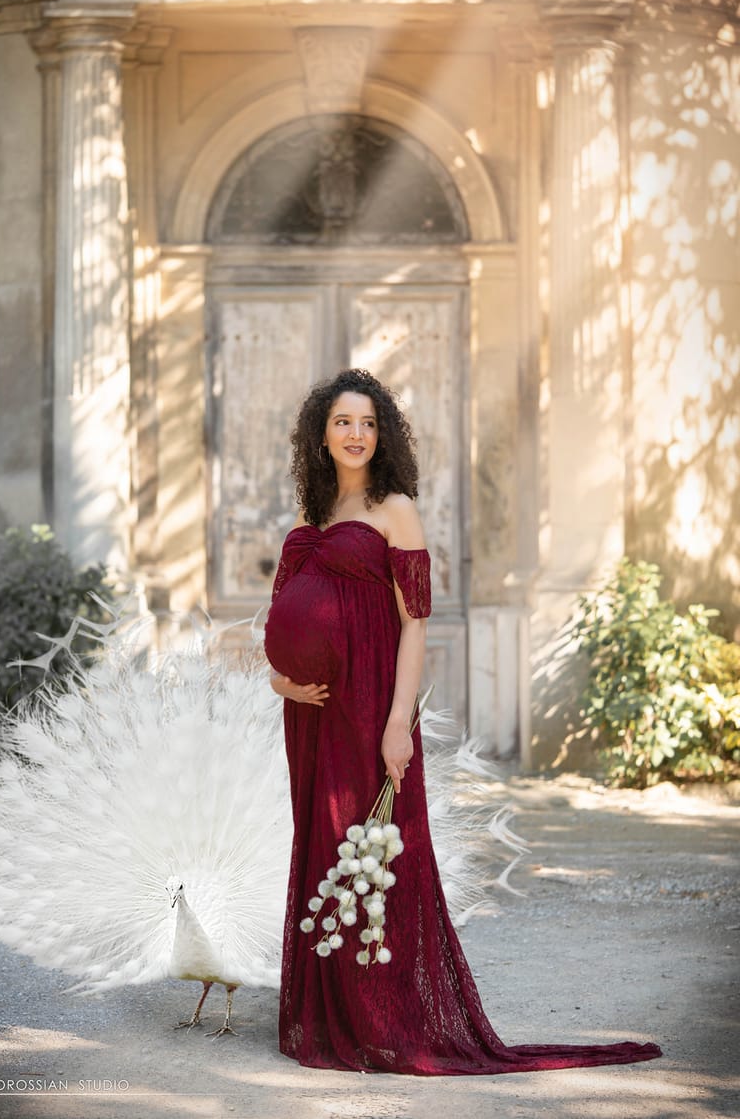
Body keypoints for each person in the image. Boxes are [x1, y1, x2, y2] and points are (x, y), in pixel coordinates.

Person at [264, 367, 661, 1075]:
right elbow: (283, 611)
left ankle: (383, 1021)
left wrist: (397, 724)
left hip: (368, 707)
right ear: (321, 436)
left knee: (381, 854)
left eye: (367, 423)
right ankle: (328, 1018)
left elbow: (415, 625)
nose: (355, 434)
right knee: (325, 846)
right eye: (342, 422)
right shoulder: (307, 515)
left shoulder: (396, 509)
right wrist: (279, 677)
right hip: (312, 715)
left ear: (380, 435)